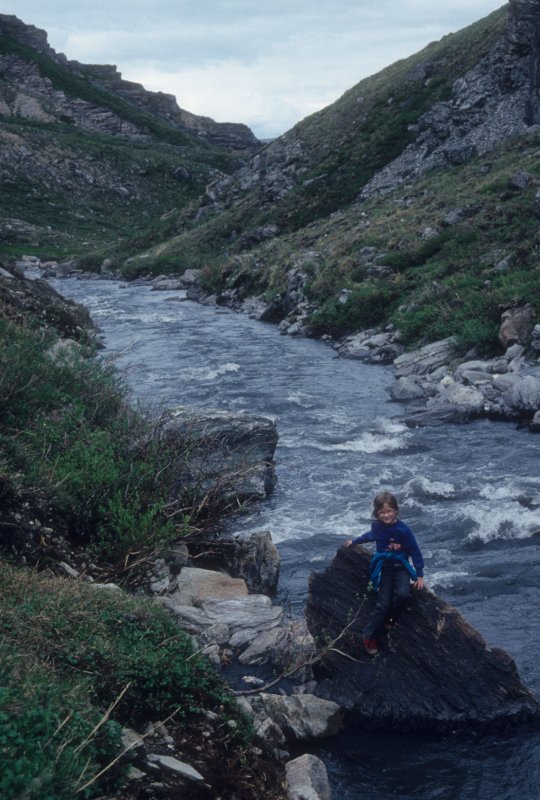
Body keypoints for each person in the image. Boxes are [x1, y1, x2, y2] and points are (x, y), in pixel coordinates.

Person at [344, 491, 425, 656]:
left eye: (389, 511)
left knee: (403, 595)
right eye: (382, 512)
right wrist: (354, 541)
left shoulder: (403, 530)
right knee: (382, 604)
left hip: (401, 567)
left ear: (395, 510)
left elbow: (415, 551)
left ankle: (390, 619)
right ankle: (369, 636)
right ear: (377, 514)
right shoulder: (377, 526)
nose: (386, 515)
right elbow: (370, 536)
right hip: (385, 568)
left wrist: (420, 574)